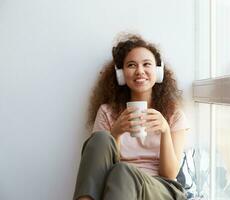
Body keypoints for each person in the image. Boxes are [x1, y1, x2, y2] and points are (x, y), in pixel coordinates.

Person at [73, 33, 190, 200]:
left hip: (161, 188)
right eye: (131, 65)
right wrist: (116, 134)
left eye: (147, 64)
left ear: (158, 71)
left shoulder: (173, 114)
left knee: (123, 170)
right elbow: (101, 171)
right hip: (119, 184)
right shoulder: (107, 112)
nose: (140, 71)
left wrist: (165, 130)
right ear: (121, 74)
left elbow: (169, 175)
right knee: (101, 141)